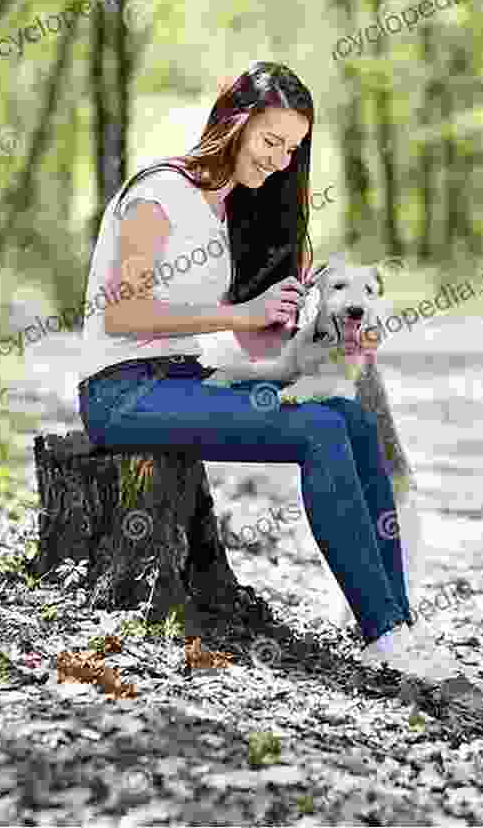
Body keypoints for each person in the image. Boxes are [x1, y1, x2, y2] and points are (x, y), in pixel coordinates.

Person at [76, 61, 459, 681]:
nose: (282, 161)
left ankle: (401, 621)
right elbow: (123, 313)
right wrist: (236, 310)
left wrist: (316, 326)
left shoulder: (232, 214)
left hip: (182, 378)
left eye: (292, 149)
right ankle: (383, 634)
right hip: (121, 393)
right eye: (271, 141)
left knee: (349, 418)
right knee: (318, 430)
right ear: (235, 123)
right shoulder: (159, 194)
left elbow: (242, 341)